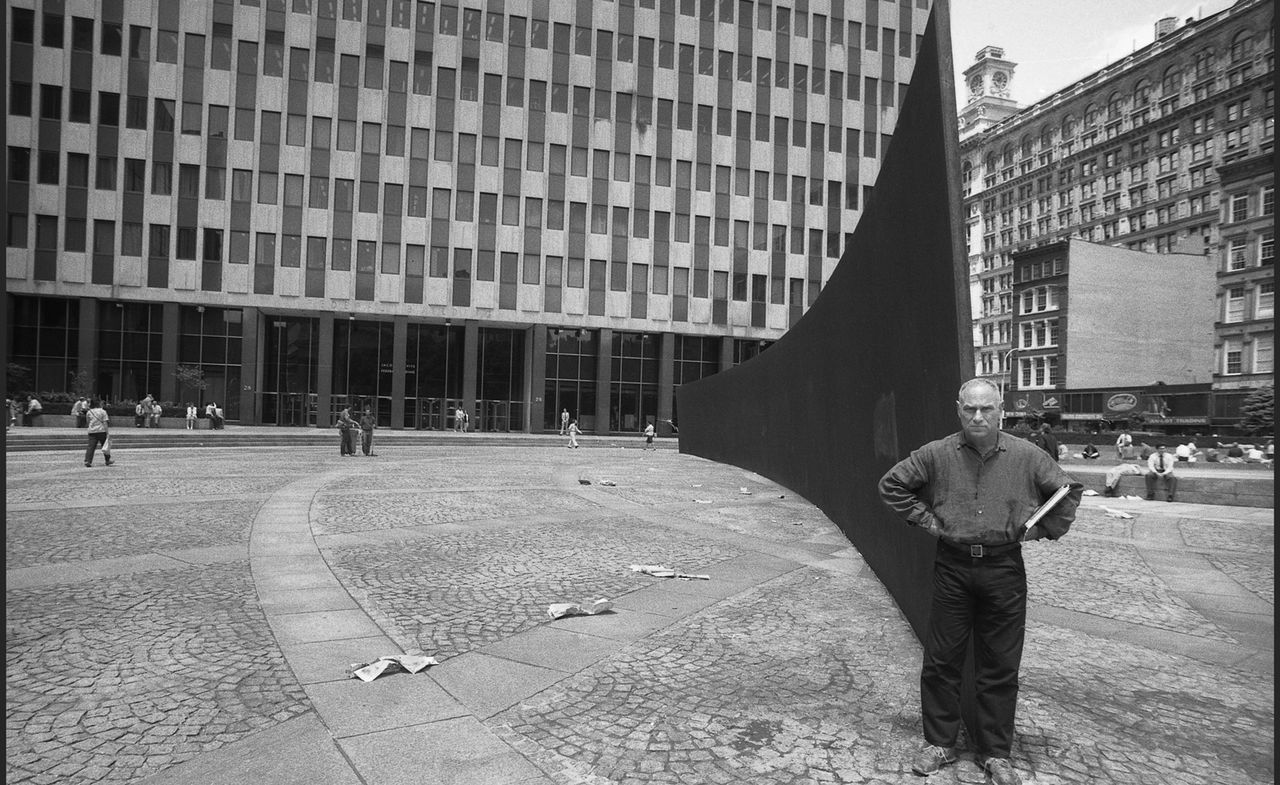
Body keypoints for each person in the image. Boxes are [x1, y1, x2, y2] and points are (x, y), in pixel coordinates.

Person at [878, 378, 1082, 785]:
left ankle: (995, 753)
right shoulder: (936, 454)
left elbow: (1067, 491)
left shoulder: (1028, 456)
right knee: (942, 661)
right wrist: (929, 521)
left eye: (986, 408)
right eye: (970, 408)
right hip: (953, 567)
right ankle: (940, 743)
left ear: (1000, 409)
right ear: (958, 409)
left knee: (1001, 664)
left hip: (1004, 569)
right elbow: (892, 485)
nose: (978, 416)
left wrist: (1038, 530)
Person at [83, 398, 114, 467]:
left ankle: (88, 460)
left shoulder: (89, 412)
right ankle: (107, 460)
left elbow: (88, 422)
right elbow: (105, 422)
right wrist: (107, 432)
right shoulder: (103, 411)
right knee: (105, 446)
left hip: (92, 431)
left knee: (91, 447)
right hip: (102, 431)